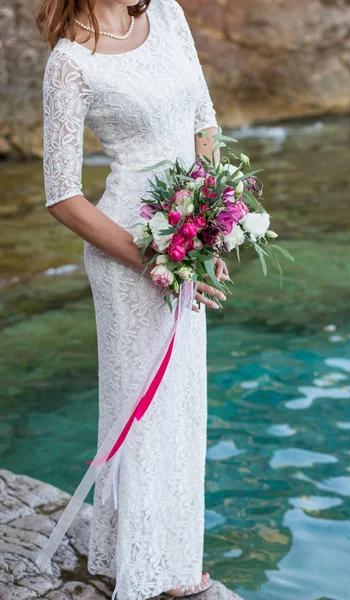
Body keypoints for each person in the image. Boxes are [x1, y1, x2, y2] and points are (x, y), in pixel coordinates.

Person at [35, 0, 229, 598]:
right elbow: (63, 195)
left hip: (186, 232)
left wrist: (211, 227)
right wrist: (151, 258)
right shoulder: (69, 63)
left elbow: (205, 122)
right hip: (129, 247)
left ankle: (162, 557)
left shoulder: (167, 13)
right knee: (138, 406)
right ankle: (146, 568)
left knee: (182, 401)